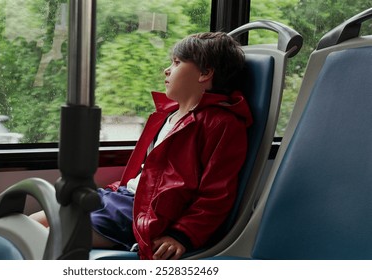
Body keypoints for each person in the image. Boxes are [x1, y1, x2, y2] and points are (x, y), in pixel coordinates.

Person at [31, 31, 253, 260]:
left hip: (142, 216)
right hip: (123, 200)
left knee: (46, 239)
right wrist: (114, 189)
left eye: (176, 63)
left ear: (205, 73)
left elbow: (216, 194)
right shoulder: (169, 116)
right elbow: (147, 174)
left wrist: (182, 235)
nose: (167, 70)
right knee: (26, 224)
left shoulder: (222, 124)